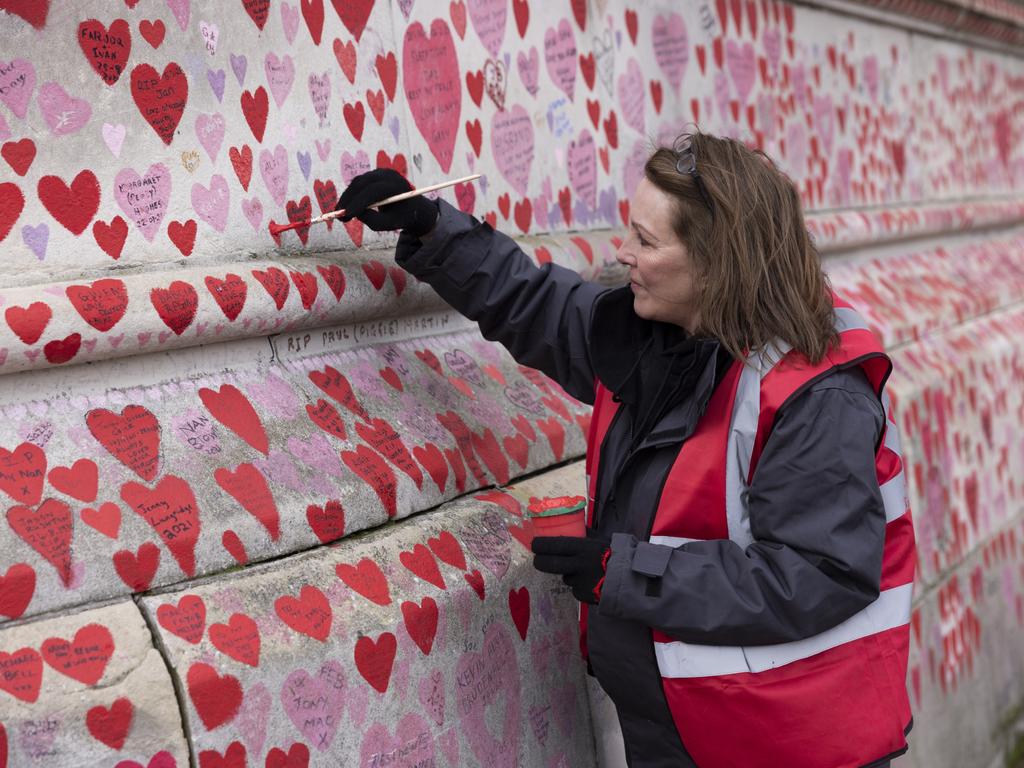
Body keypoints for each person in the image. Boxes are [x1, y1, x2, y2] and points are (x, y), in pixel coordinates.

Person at [335, 130, 916, 768]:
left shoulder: (816, 395)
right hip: (690, 730)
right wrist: (432, 227)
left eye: (645, 240)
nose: (622, 253)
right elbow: (540, 305)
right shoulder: (661, 336)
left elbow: (818, 574)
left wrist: (626, 572)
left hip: (786, 742)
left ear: (718, 261)